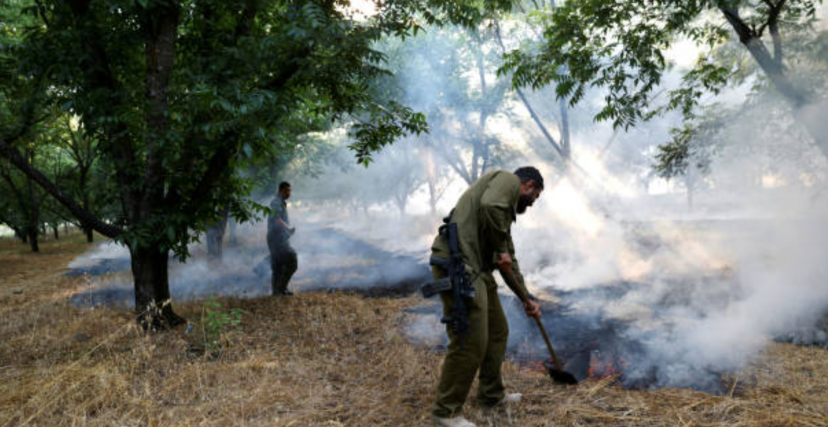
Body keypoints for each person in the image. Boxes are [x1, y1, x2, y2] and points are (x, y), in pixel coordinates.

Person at [429, 167, 544, 427]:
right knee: (470, 340)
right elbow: (491, 205)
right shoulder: (507, 180)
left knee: (497, 331)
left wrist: (527, 298)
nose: (532, 203)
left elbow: (508, 263)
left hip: (477, 270)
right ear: (528, 185)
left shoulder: (500, 222)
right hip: (459, 266)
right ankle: (445, 412)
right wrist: (501, 249)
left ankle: (491, 396)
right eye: (535, 196)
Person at [267, 181, 297, 295]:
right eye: (286, 191)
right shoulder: (276, 202)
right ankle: (281, 288)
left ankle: (277, 291)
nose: (289, 193)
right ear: (280, 190)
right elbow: (276, 218)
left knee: (278, 265)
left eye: (290, 190)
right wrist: (288, 229)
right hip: (276, 238)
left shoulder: (281, 202)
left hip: (278, 237)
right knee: (292, 260)